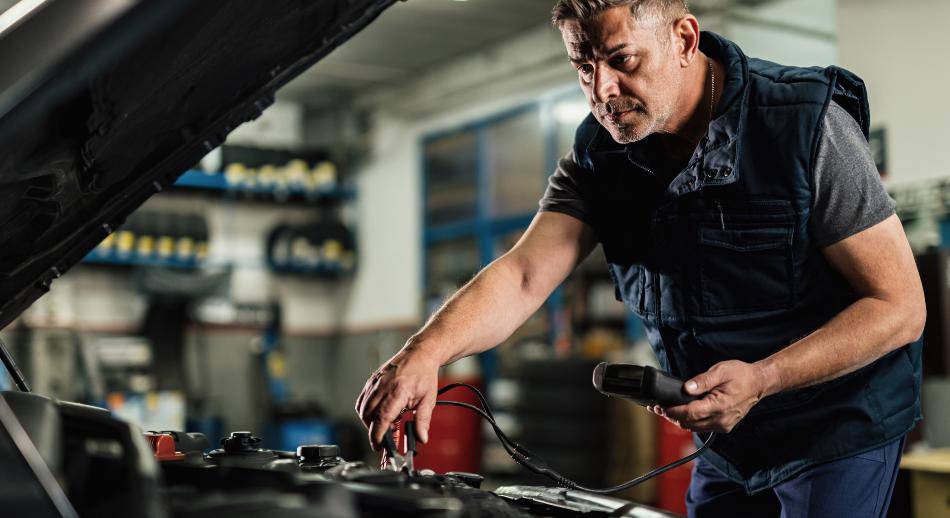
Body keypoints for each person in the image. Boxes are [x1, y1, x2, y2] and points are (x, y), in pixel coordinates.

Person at [356, 1, 925, 516]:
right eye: (583, 67)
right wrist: (425, 351)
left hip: (836, 426)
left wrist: (763, 379)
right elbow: (525, 275)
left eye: (621, 59)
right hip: (726, 438)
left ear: (683, 38)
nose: (602, 89)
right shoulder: (599, 157)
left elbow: (900, 306)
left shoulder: (806, 126)